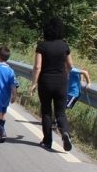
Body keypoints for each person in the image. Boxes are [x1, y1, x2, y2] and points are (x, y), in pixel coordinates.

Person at [29, 16, 74, 151]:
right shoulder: (65, 46)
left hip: (46, 82)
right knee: (60, 112)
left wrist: (33, 83)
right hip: (61, 82)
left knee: (46, 112)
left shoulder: (42, 46)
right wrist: (64, 74)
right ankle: (65, 132)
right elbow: (71, 65)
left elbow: (38, 67)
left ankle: (47, 141)